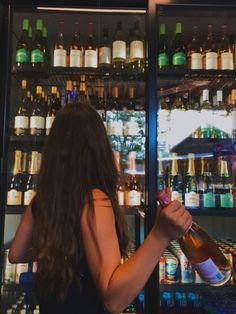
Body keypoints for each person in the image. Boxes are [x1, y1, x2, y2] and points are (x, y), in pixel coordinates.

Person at [9, 102, 192, 314]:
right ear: (98, 147)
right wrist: (160, 235)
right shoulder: (94, 200)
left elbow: (16, 254)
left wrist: (60, 247)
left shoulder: (42, 199)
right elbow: (114, 301)